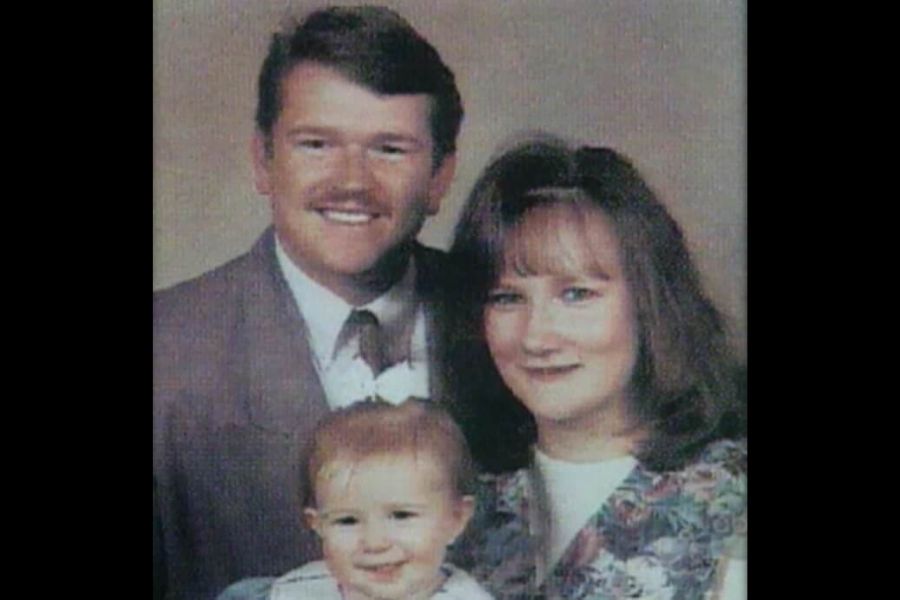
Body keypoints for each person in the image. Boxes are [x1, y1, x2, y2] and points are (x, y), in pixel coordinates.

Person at [153, 6, 463, 599]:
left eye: (390, 149)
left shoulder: (516, 327)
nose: (352, 181)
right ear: (263, 161)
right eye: (317, 144)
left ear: (441, 177)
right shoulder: (165, 355)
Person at [445, 136, 747, 599]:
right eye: (507, 298)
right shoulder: (448, 496)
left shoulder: (731, 498)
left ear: (650, 303)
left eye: (576, 294)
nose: (537, 337)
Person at [224, 399, 493, 600]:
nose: (375, 542)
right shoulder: (295, 592)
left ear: (456, 518)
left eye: (401, 516)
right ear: (316, 524)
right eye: (347, 520)